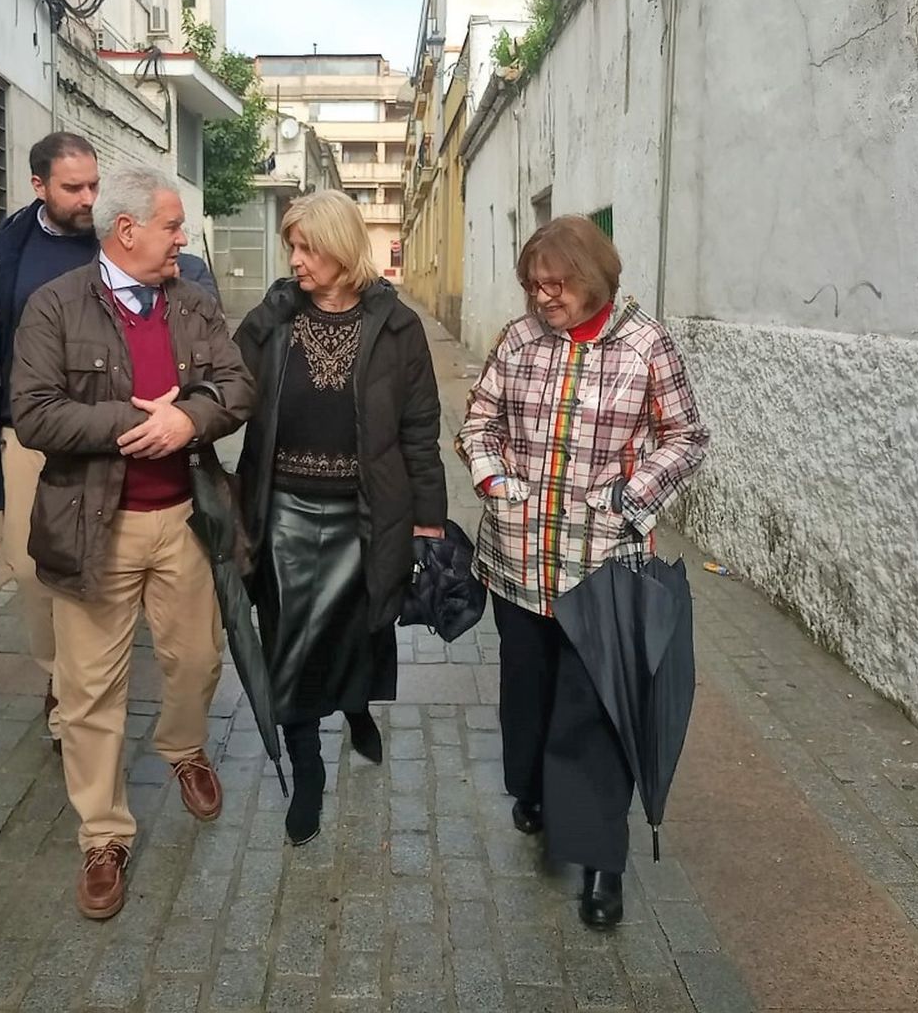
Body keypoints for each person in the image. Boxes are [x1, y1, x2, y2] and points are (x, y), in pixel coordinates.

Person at [9, 164, 252, 919]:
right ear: (127, 231)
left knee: (200, 661)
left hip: (186, 519)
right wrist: (133, 425)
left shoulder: (194, 303)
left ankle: (182, 748)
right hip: (92, 528)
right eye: (173, 226)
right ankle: (103, 835)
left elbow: (238, 387)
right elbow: (34, 414)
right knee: (88, 692)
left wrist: (190, 420)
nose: (183, 239)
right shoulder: (53, 306)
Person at [455, 215, 708, 930]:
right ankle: (533, 791)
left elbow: (687, 436)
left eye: (556, 285)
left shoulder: (645, 344)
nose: (543, 299)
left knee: (597, 712)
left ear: (592, 280)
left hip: (605, 569)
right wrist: (494, 480)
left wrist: (633, 496)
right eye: (534, 286)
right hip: (520, 562)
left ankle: (601, 862)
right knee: (529, 698)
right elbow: (479, 422)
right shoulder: (519, 340)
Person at [0, 132, 219, 754]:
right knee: (35, 567)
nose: (88, 197)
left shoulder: (139, 250)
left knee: (125, 567)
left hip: (134, 435)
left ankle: (97, 687)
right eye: (74, 188)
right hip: (33, 430)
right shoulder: (4, 254)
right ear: (39, 186)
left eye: (95, 184)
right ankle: (61, 678)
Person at [234, 190, 447, 846]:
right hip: (285, 513)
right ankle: (309, 770)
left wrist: (428, 523)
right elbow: (224, 388)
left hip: (367, 513)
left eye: (307, 247)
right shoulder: (273, 318)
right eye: (290, 247)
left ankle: (355, 707)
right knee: (289, 649)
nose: (294, 259)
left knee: (356, 634)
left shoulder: (398, 327)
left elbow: (419, 432)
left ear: (340, 248)